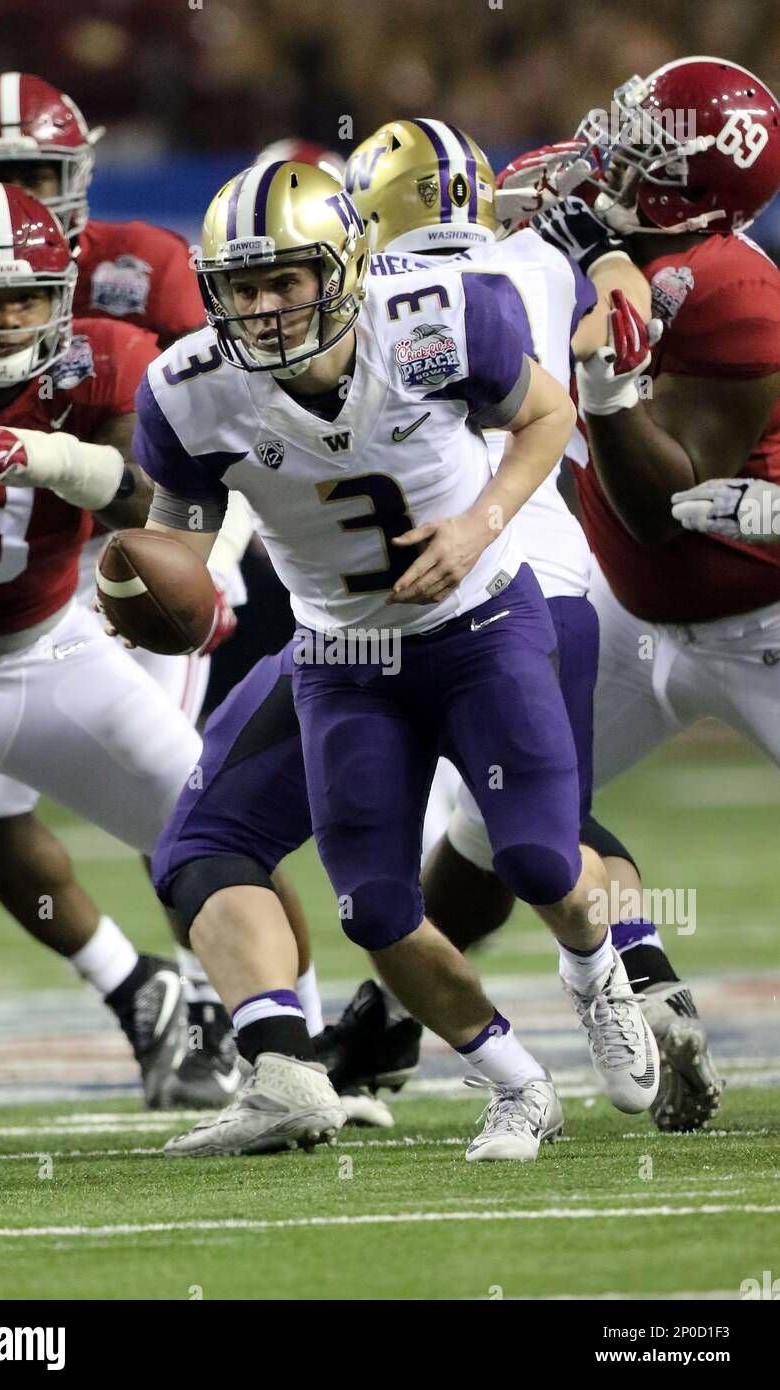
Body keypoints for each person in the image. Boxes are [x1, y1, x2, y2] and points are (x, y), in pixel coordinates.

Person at [120, 159, 659, 1162]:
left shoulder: (440, 316)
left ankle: (599, 981)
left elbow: (546, 416)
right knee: (373, 905)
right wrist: (152, 595)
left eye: (286, 280)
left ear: (347, 266)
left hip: (481, 621)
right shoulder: (190, 392)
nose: (266, 307)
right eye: (242, 287)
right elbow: (180, 533)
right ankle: (514, 1082)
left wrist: (479, 523)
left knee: (537, 856)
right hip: (342, 654)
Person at [324, 115, 721, 1133]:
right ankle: (627, 974)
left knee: (495, 825)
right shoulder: (547, 256)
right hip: (564, 565)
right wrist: (609, 257)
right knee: (529, 819)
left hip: (445, 580)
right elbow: (623, 317)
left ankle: (604, 977)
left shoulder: (362, 301)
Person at [0, 72, 273, 1105]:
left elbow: (208, 446)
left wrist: (196, 554)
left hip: (126, 551)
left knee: (182, 815)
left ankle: (232, 1015)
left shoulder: (142, 270)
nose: (24, 195)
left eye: (40, 172)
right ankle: (146, 996)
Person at [512, 55, 780, 1128]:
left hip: (755, 620)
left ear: (695, 191)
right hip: (632, 610)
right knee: (491, 817)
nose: (610, 148)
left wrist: (607, 389)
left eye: (644, 143)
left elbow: (656, 503)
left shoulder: (731, 294)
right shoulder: (589, 218)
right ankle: (639, 976)